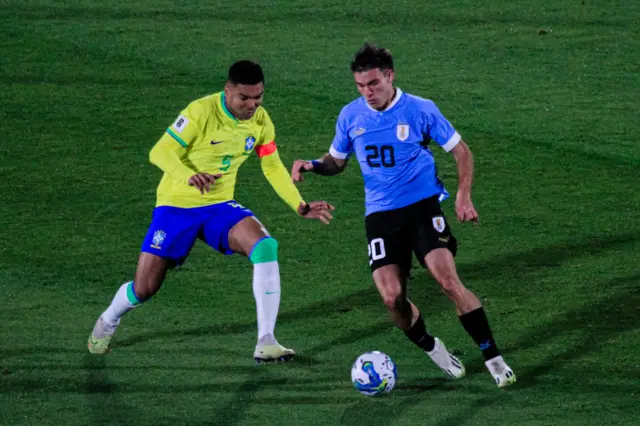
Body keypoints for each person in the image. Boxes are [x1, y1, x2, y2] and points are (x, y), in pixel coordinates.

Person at [291, 44, 516, 387]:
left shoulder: (420, 110)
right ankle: (433, 348)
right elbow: (337, 161)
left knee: (447, 280)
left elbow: (461, 151)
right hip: (380, 216)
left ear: (390, 76)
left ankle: (494, 358)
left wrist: (463, 195)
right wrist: (312, 165)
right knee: (391, 297)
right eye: (361, 86)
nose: (367, 92)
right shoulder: (351, 116)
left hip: (422, 207)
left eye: (374, 84)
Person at [88, 60, 334, 363]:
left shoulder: (261, 121)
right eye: (244, 98)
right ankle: (109, 319)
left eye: (258, 98)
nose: (252, 105)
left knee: (265, 246)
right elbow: (160, 151)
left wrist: (299, 204)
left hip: (218, 206)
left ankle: (266, 341)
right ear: (227, 91)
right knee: (145, 288)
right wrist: (188, 175)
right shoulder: (200, 112)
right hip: (176, 206)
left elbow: (271, 165)